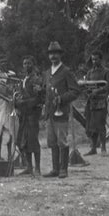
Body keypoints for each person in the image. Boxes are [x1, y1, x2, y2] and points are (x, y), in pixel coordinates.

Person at [43, 41, 81, 179]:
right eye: (51, 53)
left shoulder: (66, 71)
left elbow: (76, 90)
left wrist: (62, 98)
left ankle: (63, 169)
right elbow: (46, 92)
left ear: (60, 55)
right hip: (50, 113)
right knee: (52, 141)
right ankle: (55, 169)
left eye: (56, 53)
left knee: (62, 141)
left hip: (61, 111)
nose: (53, 56)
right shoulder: (47, 73)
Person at [15, 56, 43, 177]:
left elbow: (38, 98)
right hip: (24, 114)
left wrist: (24, 103)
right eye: (24, 63)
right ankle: (29, 167)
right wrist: (17, 101)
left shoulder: (36, 79)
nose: (26, 65)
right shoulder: (23, 79)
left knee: (33, 141)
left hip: (32, 114)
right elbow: (21, 95)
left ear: (33, 64)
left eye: (29, 63)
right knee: (23, 141)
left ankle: (37, 168)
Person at [83, 51, 109, 157]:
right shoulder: (89, 73)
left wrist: (99, 91)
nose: (94, 61)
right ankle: (93, 148)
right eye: (92, 59)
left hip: (101, 101)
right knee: (91, 125)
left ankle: (103, 149)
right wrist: (87, 91)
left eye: (96, 59)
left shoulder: (106, 71)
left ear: (101, 59)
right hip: (91, 101)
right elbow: (86, 85)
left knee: (100, 125)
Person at [0, 55, 18, 161]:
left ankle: (9, 154)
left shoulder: (12, 74)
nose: (4, 64)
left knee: (10, 128)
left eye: (5, 62)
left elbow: (16, 87)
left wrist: (11, 89)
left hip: (10, 104)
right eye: (1, 62)